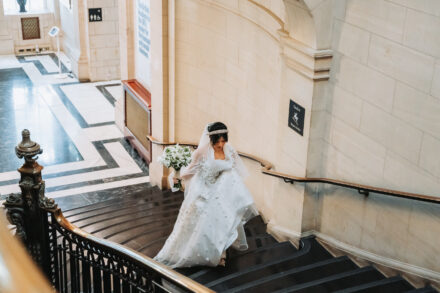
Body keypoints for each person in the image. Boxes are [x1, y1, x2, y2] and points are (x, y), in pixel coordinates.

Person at [153, 122, 258, 268]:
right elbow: (188, 171)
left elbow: (234, 170)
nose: (221, 144)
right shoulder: (201, 152)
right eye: (218, 141)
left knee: (222, 223)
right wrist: (178, 173)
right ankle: (205, 253)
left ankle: (221, 254)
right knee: (203, 226)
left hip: (223, 192)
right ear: (211, 139)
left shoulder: (229, 150)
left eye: (223, 140)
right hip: (204, 191)